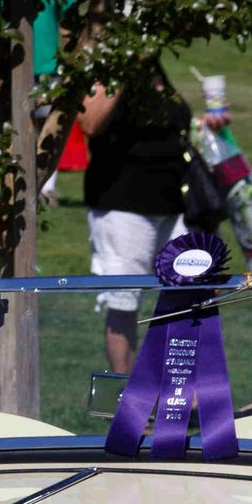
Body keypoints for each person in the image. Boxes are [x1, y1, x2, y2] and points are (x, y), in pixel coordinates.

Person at [79, 64, 191, 371]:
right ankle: (128, 403)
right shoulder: (110, 65)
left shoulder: (156, 67)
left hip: (173, 205)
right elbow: (89, 121)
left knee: (186, 301)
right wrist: (122, 70)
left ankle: (176, 395)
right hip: (123, 204)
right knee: (124, 303)